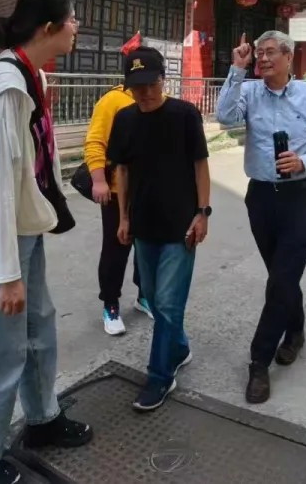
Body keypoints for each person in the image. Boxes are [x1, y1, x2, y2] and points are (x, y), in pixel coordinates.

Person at [0, 0, 91, 484]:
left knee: (38, 331)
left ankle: (42, 420)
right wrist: (7, 274)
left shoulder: (33, 75)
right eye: (72, 19)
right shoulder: (5, 87)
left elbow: (30, 168)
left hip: (20, 230)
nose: (77, 27)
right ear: (49, 28)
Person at [217, 30, 306, 404]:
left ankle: (259, 360)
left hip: (300, 196)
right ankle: (296, 330)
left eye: (271, 52)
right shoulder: (249, 91)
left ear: (289, 56)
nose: (263, 58)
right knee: (281, 275)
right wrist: (237, 70)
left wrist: (305, 161)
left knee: (282, 278)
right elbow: (224, 118)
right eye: (259, 53)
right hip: (260, 196)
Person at [108, 47, 211, 412]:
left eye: (151, 85)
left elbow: (200, 165)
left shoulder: (184, 115)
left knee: (167, 303)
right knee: (153, 298)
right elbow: (122, 170)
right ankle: (179, 348)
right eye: (137, 87)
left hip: (181, 226)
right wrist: (123, 218)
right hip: (143, 226)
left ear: (163, 80)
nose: (145, 93)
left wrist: (203, 212)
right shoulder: (124, 119)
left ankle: (160, 376)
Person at [83, 81, 153, 336]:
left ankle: (144, 295)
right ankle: (110, 303)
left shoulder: (159, 99)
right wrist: (99, 180)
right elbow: (95, 141)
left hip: (149, 189)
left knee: (148, 247)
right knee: (116, 248)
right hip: (116, 191)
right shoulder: (112, 100)